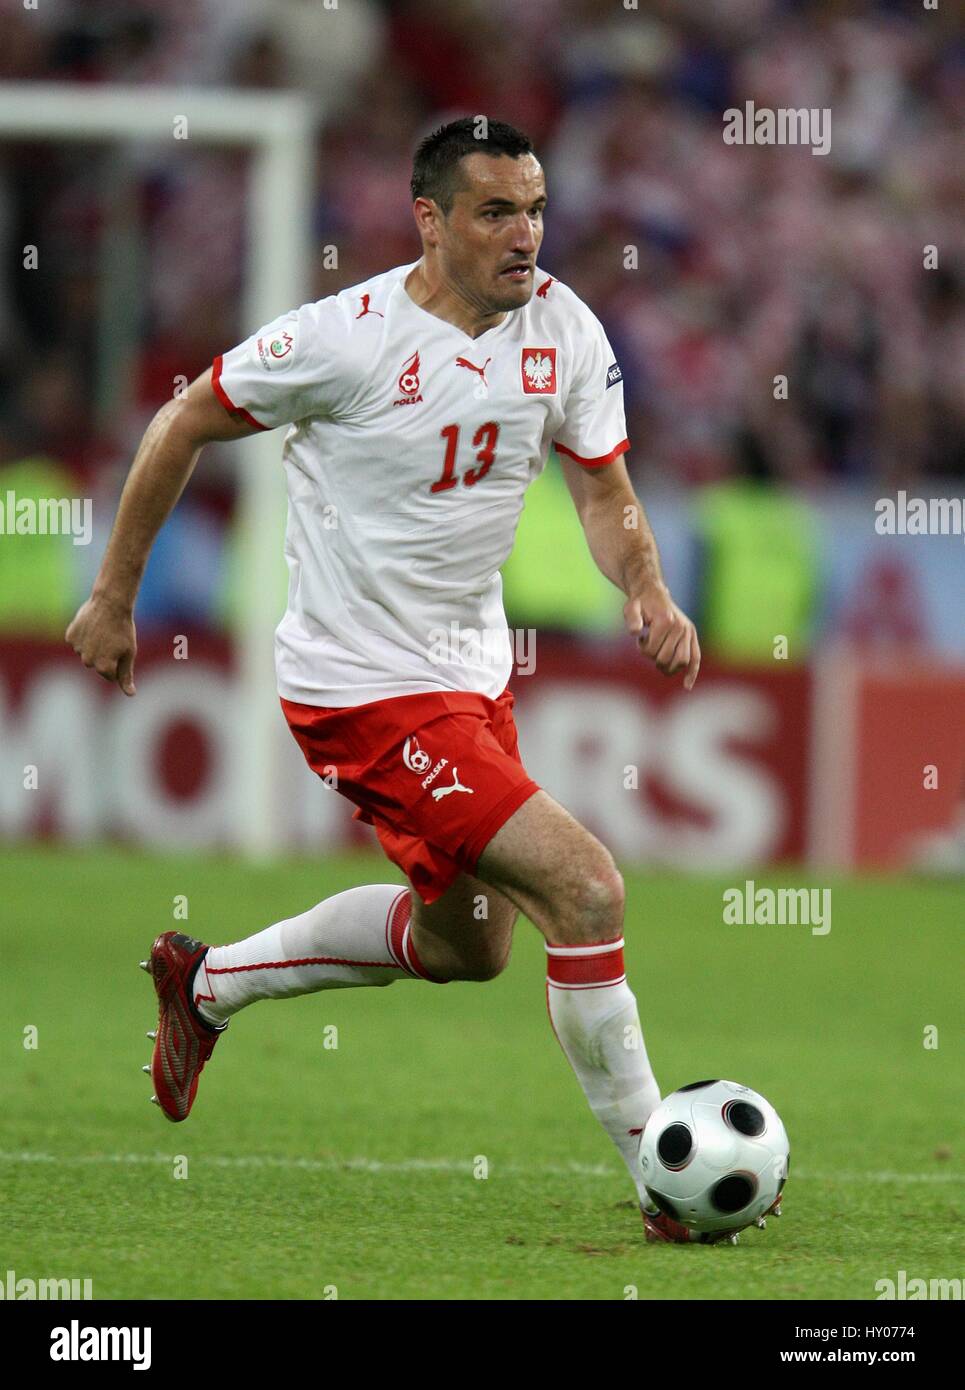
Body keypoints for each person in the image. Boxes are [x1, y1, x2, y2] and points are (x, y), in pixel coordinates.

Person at [66, 118, 710, 1243]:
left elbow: (604, 494)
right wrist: (116, 596)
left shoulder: (561, 327)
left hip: (471, 674)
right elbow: (180, 423)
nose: (527, 236)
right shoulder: (344, 338)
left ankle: (205, 984)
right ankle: (668, 1170)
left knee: (469, 947)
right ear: (430, 219)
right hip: (359, 684)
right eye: (496, 212)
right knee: (587, 889)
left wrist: (644, 591)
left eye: (536, 208)